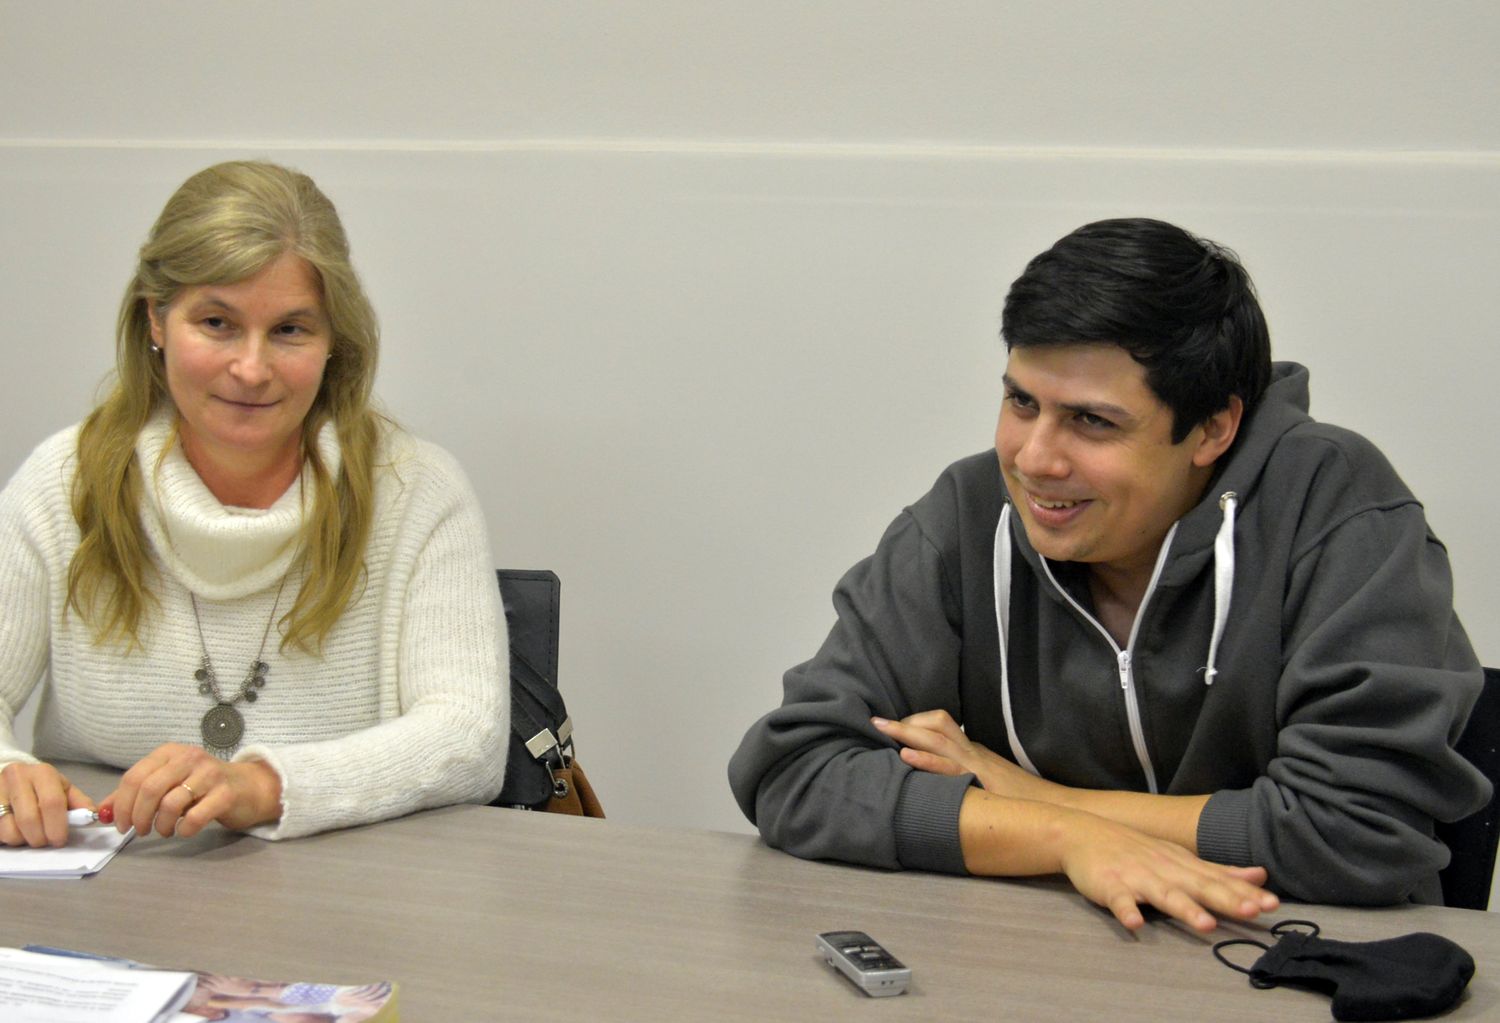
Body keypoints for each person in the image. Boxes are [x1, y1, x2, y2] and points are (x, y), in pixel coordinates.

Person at [729, 218, 1491, 932]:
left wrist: (1033, 796)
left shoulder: (1337, 508)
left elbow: (1357, 833)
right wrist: (1063, 836)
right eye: (1021, 402)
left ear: (1213, 428)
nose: (1034, 458)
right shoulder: (967, 514)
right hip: (1028, 964)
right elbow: (792, 772)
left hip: (1288, 960)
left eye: (1092, 422)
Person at [0, 160, 508, 847]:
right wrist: (6, 769)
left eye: (291, 330)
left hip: (345, 903)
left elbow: (469, 737)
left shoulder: (418, 491)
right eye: (216, 323)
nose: (251, 368)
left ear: (335, 342)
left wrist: (264, 785)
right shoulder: (65, 481)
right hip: (106, 901)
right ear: (156, 319)